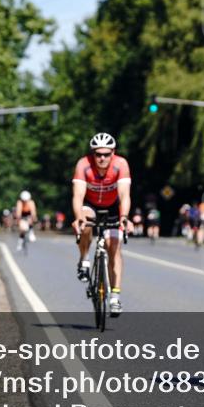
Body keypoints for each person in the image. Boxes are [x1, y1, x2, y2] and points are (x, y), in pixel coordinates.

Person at [72, 132, 132, 315]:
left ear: (113, 152)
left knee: (113, 245)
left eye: (106, 154)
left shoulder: (121, 165)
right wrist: (78, 217)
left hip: (113, 206)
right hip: (90, 204)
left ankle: (115, 296)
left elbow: (124, 195)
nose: (102, 158)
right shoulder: (83, 165)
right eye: (98, 154)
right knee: (85, 223)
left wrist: (125, 217)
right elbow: (78, 196)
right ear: (92, 154)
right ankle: (84, 258)